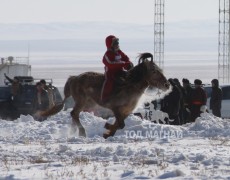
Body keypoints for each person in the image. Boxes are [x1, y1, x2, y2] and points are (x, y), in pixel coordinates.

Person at [101, 35, 133, 102]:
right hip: (111, 73)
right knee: (109, 82)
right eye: (115, 43)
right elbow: (111, 64)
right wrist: (124, 64)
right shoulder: (107, 54)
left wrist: (129, 64)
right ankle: (105, 97)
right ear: (110, 45)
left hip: (120, 71)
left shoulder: (119, 52)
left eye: (117, 43)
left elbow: (126, 58)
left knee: (129, 79)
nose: (117, 44)